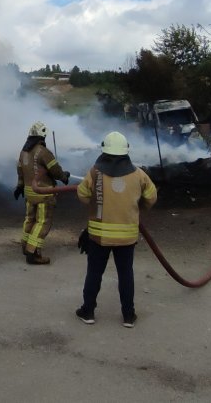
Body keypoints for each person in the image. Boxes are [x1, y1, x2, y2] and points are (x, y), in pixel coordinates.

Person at [75, 131, 157, 328]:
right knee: (125, 274)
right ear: (125, 151)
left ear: (104, 151)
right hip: (127, 237)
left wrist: (96, 203)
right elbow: (151, 197)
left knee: (94, 273)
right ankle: (128, 315)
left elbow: (82, 194)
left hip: (99, 236)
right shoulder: (138, 174)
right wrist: (138, 207)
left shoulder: (95, 172)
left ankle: (88, 311)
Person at [14, 121, 69, 265]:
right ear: (42, 136)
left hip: (29, 193)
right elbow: (55, 170)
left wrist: (19, 186)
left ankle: (26, 247)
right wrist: (64, 176)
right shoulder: (43, 152)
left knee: (29, 219)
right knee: (42, 222)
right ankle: (33, 253)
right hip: (43, 193)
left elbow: (20, 170)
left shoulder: (23, 152)